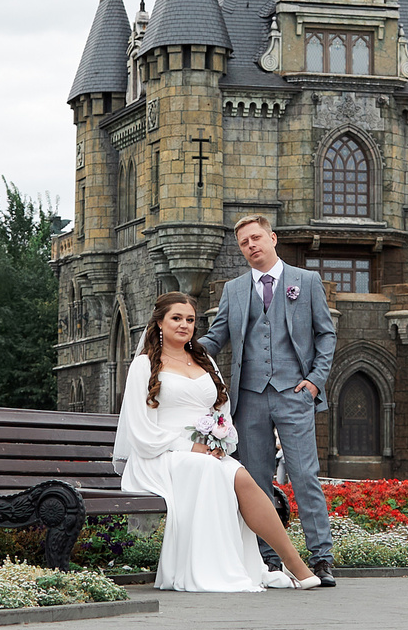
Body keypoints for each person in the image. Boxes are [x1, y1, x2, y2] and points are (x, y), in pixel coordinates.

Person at [112, 291, 320, 592]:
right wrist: (188, 446)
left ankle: (292, 562)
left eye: (191, 320)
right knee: (213, 471)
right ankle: (222, 567)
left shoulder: (204, 359)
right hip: (159, 455)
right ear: (159, 322)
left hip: (205, 451)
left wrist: (220, 440)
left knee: (238, 474)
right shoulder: (144, 366)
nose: (184, 325)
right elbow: (139, 429)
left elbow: (221, 412)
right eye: (176, 318)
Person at [193, 215, 337, 586]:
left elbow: (326, 335)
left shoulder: (307, 282)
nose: (251, 246)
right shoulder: (234, 290)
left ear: (272, 238)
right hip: (249, 398)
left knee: (305, 476)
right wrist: (181, 350)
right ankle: (268, 561)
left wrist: (314, 382)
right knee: (256, 482)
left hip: (294, 394)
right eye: (244, 242)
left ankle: (322, 558)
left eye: (256, 238)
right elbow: (216, 337)